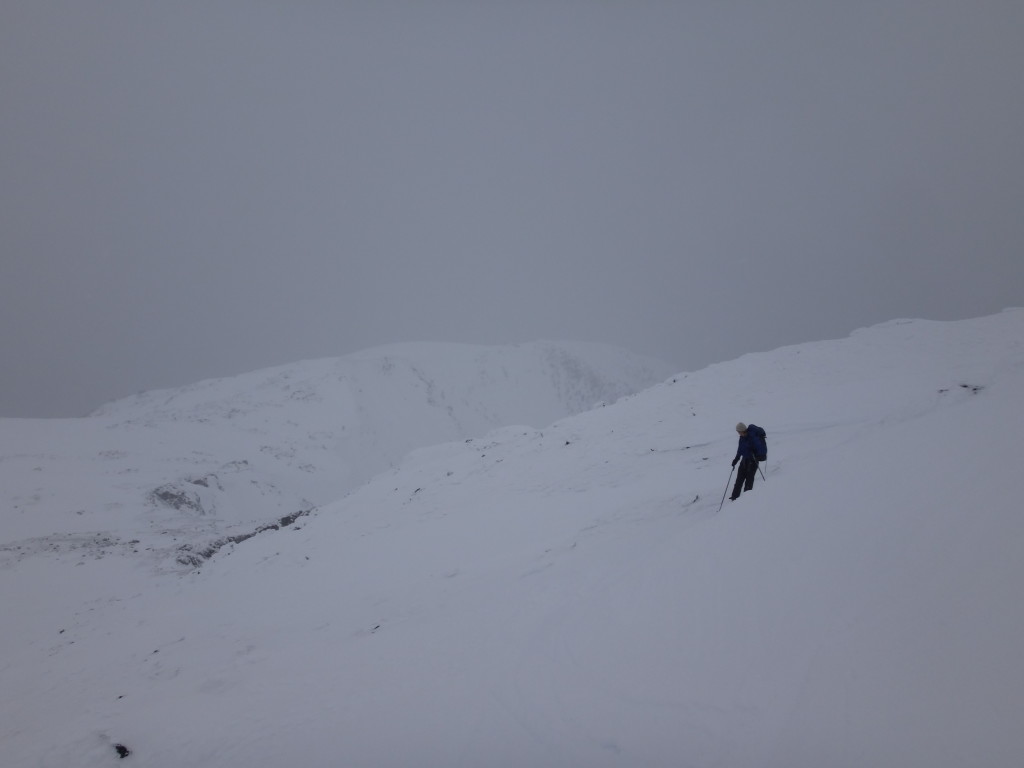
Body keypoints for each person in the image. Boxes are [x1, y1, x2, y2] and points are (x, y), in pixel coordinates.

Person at [730, 422, 759, 500]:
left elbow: (758, 450)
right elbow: (740, 450)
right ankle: (734, 498)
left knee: (748, 483)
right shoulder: (741, 438)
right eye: (738, 432)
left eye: (739, 432)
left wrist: (753, 452)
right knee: (739, 481)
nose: (738, 433)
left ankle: (746, 500)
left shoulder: (752, 438)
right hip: (744, 461)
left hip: (753, 462)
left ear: (743, 430)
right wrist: (736, 460)